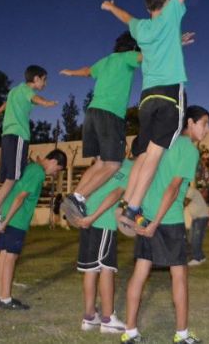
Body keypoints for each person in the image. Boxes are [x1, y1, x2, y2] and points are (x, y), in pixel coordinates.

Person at [100, 0, 209, 234]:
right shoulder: (172, 12)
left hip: (147, 100)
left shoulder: (141, 27)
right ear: (164, 2)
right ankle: (133, 208)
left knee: (144, 156)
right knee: (154, 157)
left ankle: (128, 207)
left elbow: (126, 18)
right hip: (169, 96)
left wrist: (111, 7)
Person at [121, 105, 209, 344]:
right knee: (179, 276)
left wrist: (138, 213)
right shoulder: (189, 150)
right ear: (190, 123)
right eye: (204, 123)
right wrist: (156, 223)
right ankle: (182, 335)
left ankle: (130, 332)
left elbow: (142, 175)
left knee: (140, 273)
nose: (207, 129)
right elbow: (173, 188)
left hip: (146, 215)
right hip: (167, 219)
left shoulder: (159, 144)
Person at [58, 32, 141, 225]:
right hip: (110, 115)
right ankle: (78, 198)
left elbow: (87, 71)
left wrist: (71, 72)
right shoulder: (128, 56)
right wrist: (173, 42)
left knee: (100, 163)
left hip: (92, 113)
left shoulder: (106, 60)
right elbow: (147, 56)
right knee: (113, 164)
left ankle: (76, 196)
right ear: (133, 47)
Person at [74, 142, 140, 334]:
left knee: (90, 269)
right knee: (106, 268)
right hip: (100, 220)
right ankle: (108, 318)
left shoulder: (105, 164)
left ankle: (89, 317)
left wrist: (86, 216)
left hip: (88, 215)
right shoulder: (131, 169)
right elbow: (115, 193)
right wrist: (94, 217)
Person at [0, 65, 58, 230]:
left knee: (10, 178)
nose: (45, 84)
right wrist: (46, 103)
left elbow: (5, 104)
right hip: (19, 136)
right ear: (36, 79)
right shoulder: (26, 90)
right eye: (44, 80)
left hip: (7, 136)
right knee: (14, 177)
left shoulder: (13, 92)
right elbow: (35, 98)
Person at [0, 149, 67, 310]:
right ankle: (5, 299)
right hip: (16, 220)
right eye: (58, 170)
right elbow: (21, 196)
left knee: (4, 255)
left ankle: (1, 296)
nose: (55, 174)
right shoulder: (38, 172)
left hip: (9, 216)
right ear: (54, 162)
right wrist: (6, 222)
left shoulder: (30, 167)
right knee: (11, 257)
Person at [184, 185, 209, 266]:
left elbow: (185, 202)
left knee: (195, 239)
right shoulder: (186, 191)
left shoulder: (190, 191)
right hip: (197, 218)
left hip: (201, 217)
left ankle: (197, 258)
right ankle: (201, 257)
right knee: (192, 238)